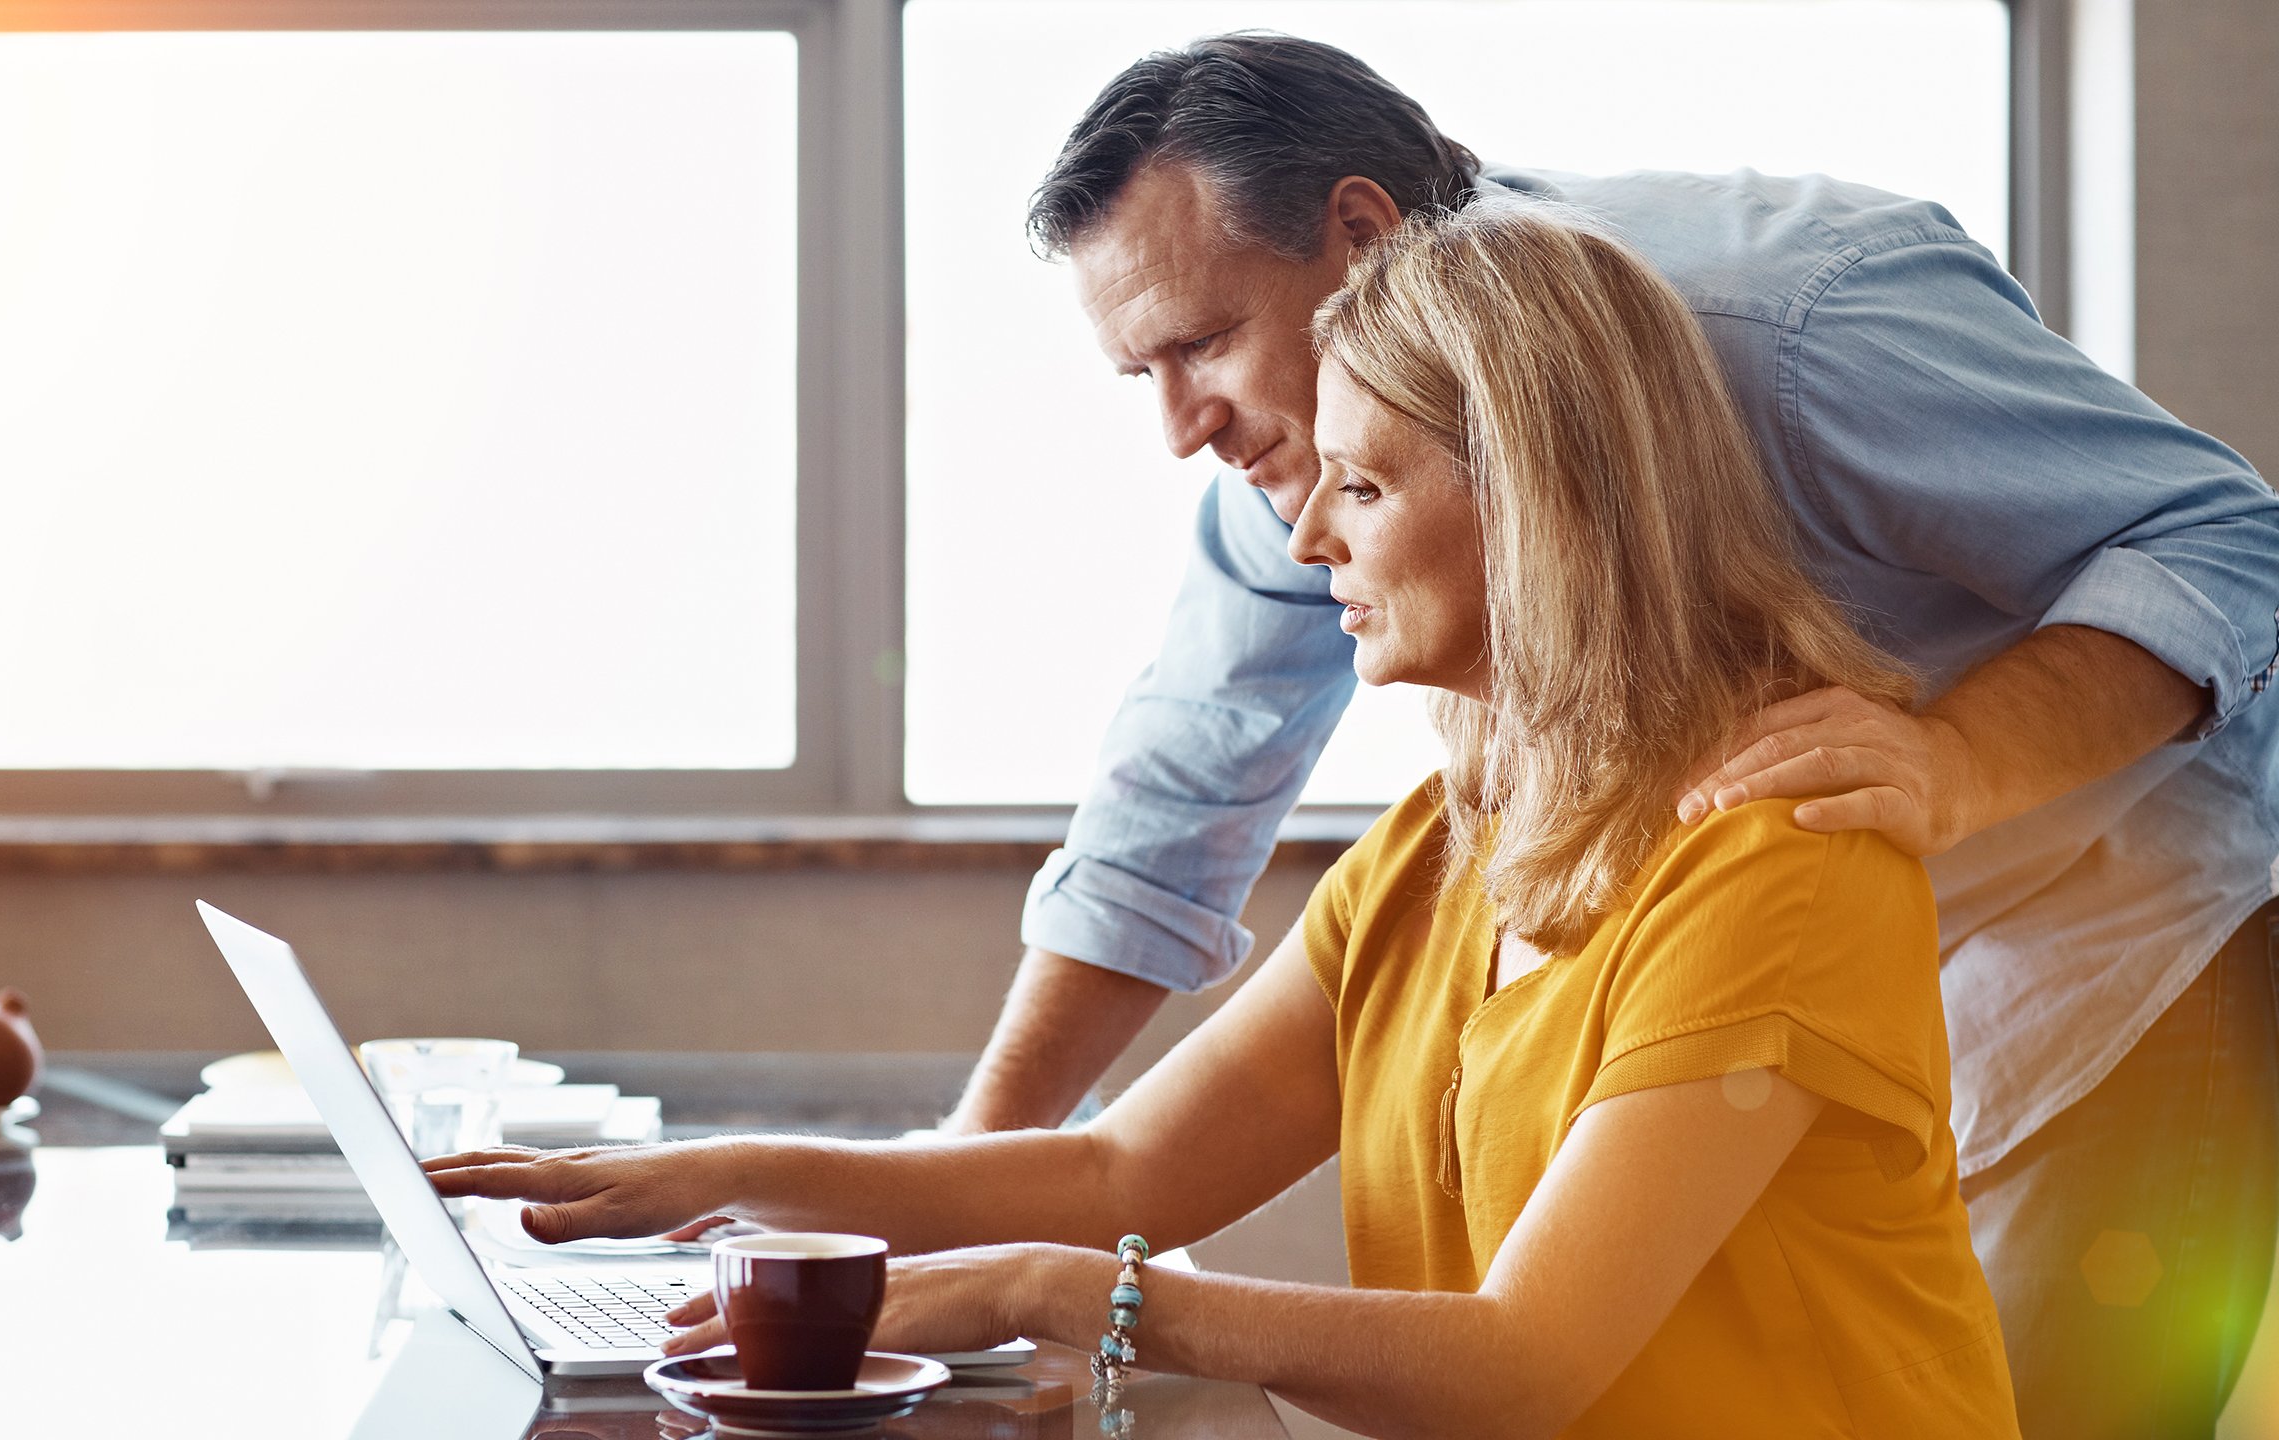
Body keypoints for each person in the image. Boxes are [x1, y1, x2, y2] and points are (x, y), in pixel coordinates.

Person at [433, 201, 2021, 1438]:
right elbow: (1125, 1172)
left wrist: (1055, 1298)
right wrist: (711, 1175)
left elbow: (1531, 1367)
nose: (1312, 535)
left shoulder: (1779, 864)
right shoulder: (1440, 851)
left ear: (1550, 508)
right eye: (1318, 479)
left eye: (1371, 490)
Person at [942, 34, 2279, 1437]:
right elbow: (1186, 782)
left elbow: (2226, 545)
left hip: (2104, 932)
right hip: (1774, 951)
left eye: (1203, 342)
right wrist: (973, 1184)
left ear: (1357, 229)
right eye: (1140, 370)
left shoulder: (1790, 321)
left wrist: (1955, 761)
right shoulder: (1312, 434)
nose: (1181, 427)